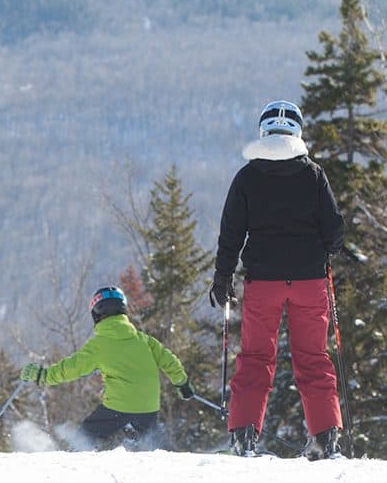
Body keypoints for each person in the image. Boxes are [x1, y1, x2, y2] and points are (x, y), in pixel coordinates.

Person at [211, 100, 345, 459]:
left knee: (255, 357)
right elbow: (335, 230)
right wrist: (327, 247)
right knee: (313, 358)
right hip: (309, 281)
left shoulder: (247, 177)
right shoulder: (314, 174)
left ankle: (244, 435)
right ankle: (325, 436)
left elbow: (231, 234)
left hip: (263, 283)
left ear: (263, 131)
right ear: (297, 132)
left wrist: (222, 278)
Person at [18, 286, 191, 450]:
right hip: (149, 408)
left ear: (97, 313)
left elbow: (70, 368)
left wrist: (43, 375)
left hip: (119, 408)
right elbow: (170, 362)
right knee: (154, 444)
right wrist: (182, 384)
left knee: (84, 437)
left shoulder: (98, 346)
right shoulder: (144, 340)